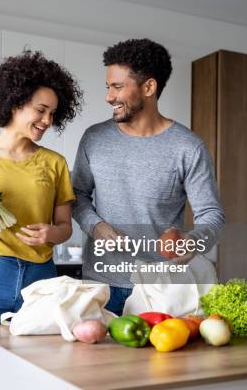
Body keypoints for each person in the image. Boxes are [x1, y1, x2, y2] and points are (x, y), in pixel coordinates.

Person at [72, 38, 225, 316]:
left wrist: (193, 240)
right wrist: (95, 226)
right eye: (108, 87)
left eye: (117, 86)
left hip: (159, 290)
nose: (109, 96)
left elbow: (212, 215)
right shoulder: (94, 138)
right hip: (100, 285)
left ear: (148, 87)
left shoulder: (188, 147)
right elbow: (77, 195)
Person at [0, 51, 83, 327]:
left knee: (39, 360)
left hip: (40, 275)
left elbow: (65, 226)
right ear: (15, 103)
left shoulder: (55, 163)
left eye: (53, 113)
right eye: (41, 110)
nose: (47, 121)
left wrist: (52, 233)